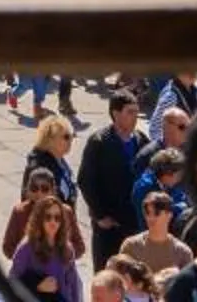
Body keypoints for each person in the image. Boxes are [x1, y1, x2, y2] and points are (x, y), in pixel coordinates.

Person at [78, 93, 148, 267]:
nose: (135, 118)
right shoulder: (99, 142)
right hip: (109, 224)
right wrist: (100, 215)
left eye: (136, 112)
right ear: (116, 114)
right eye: (130, 112)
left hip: (133, 221)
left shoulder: (141, 140)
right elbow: (86, 180)